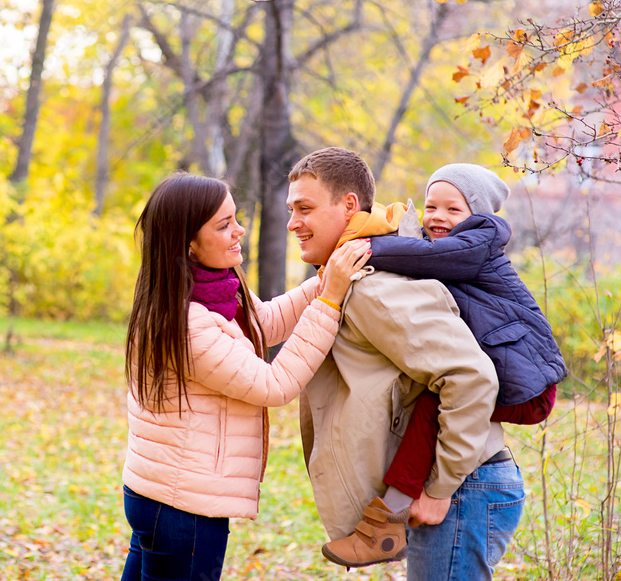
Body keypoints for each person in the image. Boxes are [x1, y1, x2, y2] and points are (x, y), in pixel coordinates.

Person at [286, 148, 524, 580]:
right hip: (461, 482)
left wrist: (440, 488)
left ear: (349, 206)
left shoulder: (374, 285)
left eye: (305, 209)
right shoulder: (348, 274)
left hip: (463, 487)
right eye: (290, 210)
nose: (292, 223)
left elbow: (470, 376)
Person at [121, 172, 372, 581]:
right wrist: (330, 300)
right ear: (187, 242)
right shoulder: (186, 323)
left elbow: (266, 323)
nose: (239, 230)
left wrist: (325, 281)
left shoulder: (211, 286)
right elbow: (274, 385)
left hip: (161, 491)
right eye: (223, 225)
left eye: (234, 218)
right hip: (182, 506)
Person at [320, 162, 566, 567]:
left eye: (453, 209)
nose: (438, 217)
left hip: (532, 385)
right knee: (434, 400)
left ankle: (386, 522)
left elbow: (426, 256)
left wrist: (366, 248)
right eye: (431, 206)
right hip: (510, 373)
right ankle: (386, 521)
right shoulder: (451, 250)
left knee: (436, 403)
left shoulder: (479, 241)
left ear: (478, 215)